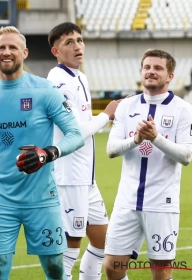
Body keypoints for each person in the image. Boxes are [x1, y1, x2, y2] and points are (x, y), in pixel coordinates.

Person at [0, 26, 84, 280]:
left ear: (24, 52)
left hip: (42, 198)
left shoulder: (45, 90)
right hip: (0, 199)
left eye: (13, 47)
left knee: (56, 270)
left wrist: (47, 154)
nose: (7, 52)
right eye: (1, 47)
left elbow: (75, 135)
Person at [104, 49, 192, 280]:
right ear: (141, 71)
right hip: (126, 201)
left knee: (161, 272)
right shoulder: (126, 106)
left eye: (158, 68)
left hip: (162, 203)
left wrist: (156, 138)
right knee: (112, 267)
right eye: (147, 67)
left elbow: (186, 156)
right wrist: (136, 139)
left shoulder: (183, 109)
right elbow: (111, 150)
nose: (151, 71)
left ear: (170, 76)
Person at [46, 22, 120, 280]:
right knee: (70, 246)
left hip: (86, 178)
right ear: (56, 51)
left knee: (103, 242)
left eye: (79, 40)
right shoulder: (57, 80)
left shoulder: (80, 76)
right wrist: (108, 115)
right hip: (69, 178)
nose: (77, 46)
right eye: (69, 42)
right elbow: (76, 131)